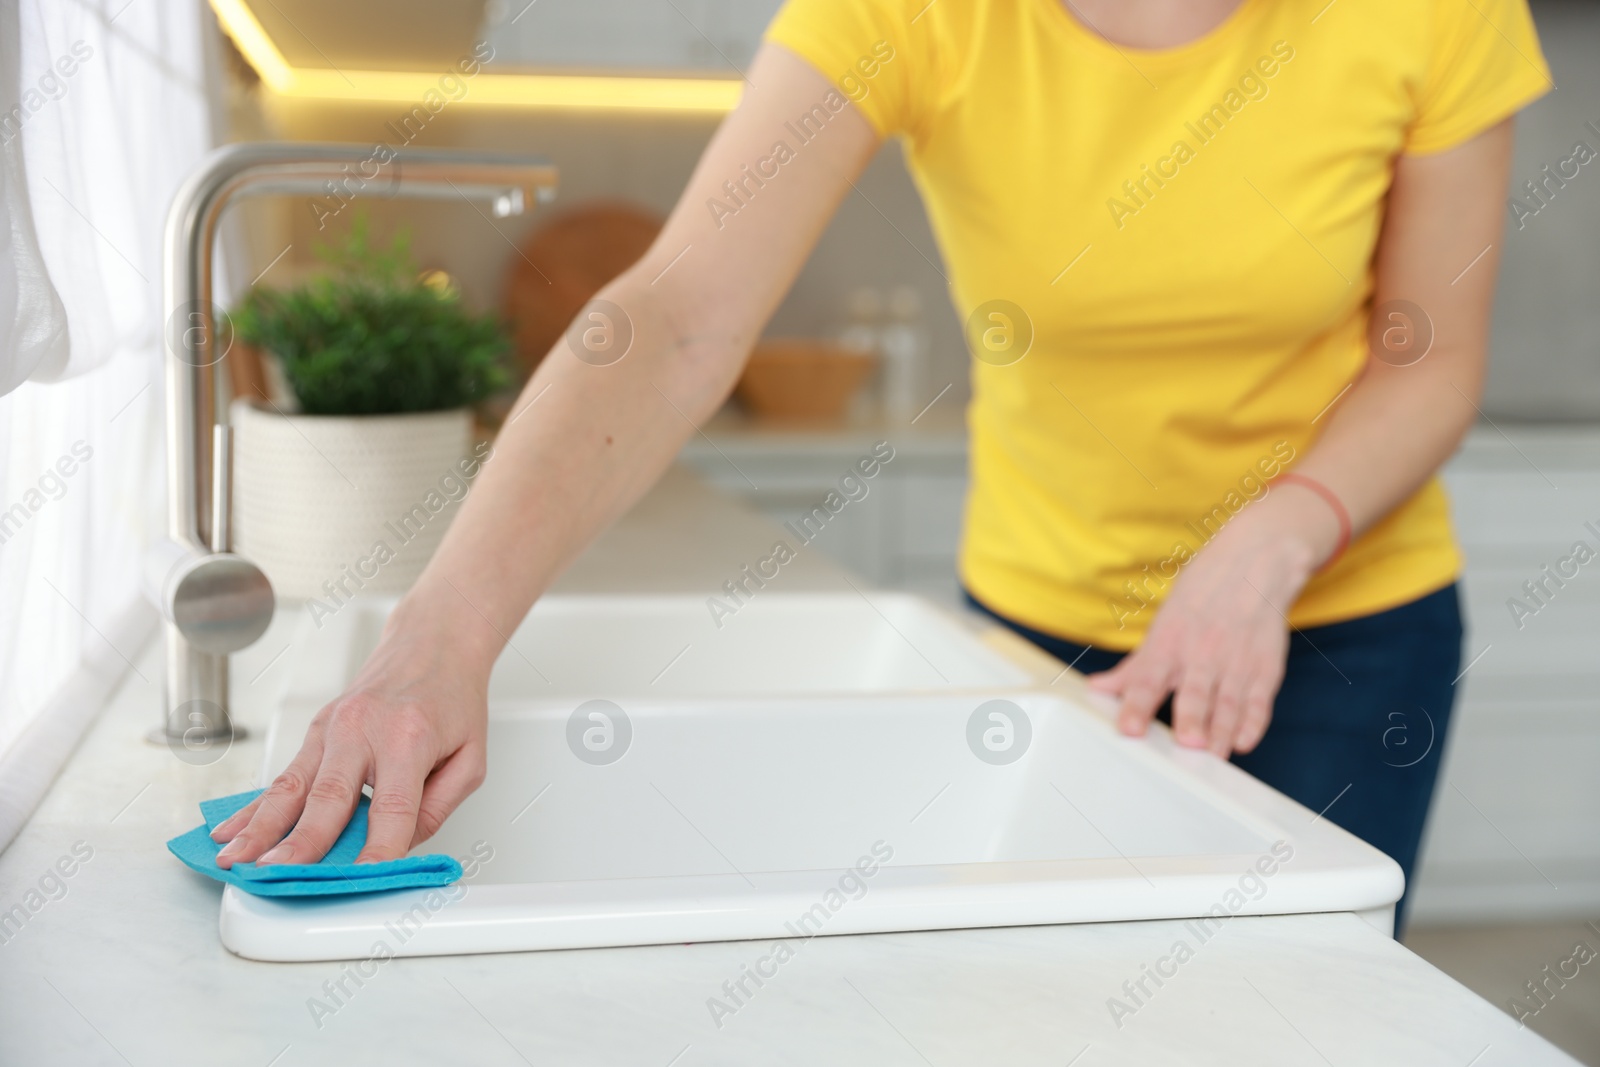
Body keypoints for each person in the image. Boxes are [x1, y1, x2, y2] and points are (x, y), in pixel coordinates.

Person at [212, 0, 1549, 931]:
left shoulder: (1432, 9)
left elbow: (1425, 356)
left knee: (1311, 1030)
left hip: (1343, 635)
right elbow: (677, 316)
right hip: (1043, 639)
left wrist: (1271, 534)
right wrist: (440, 633)